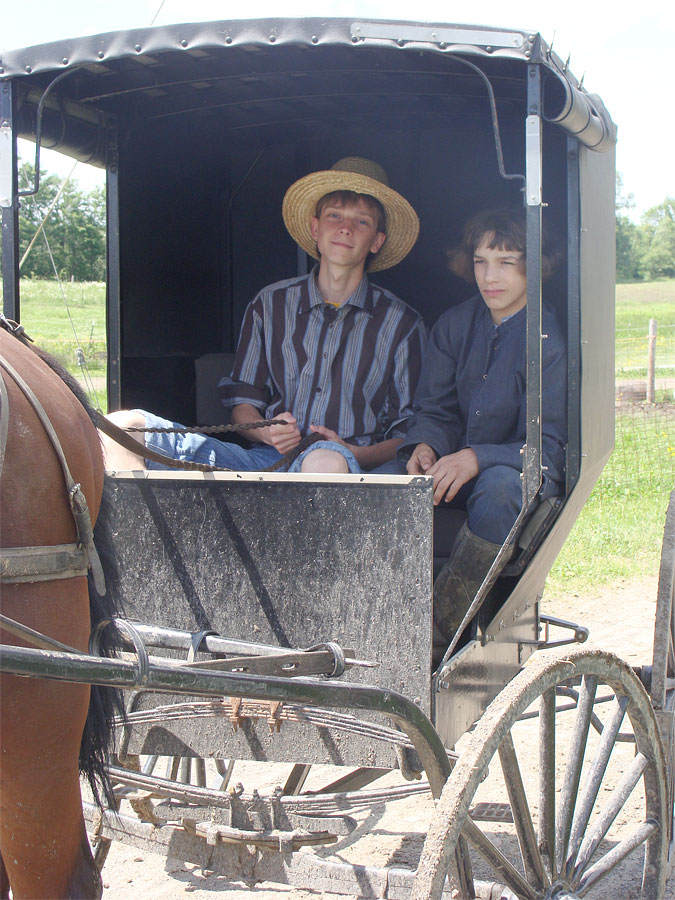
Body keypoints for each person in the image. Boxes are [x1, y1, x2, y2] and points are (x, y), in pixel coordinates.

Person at [101, 158, 426, 474]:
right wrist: (267, 432)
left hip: (347, 468)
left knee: (325, 461)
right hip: (264, 462)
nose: (345, 228)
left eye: (362, 221)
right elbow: (243, 403)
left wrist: (355, 453)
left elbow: (408, 433)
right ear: (315, 227)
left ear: (377, 241)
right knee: (124, 427)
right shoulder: (269, 304)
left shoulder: (403, 324)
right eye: (334, 215)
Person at [392, 207, 566, 663]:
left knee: (499, 488)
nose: (491, 276)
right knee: (387, 480)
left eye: (507, 262)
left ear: (535, 264)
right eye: (481, 261)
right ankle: (374, 615)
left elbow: (548, 450)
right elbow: (435, 408)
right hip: (454, 468)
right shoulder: (454, 324)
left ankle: (438, 633)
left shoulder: (547, 339)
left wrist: (477, 457)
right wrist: (426, 444)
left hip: (516, 477)